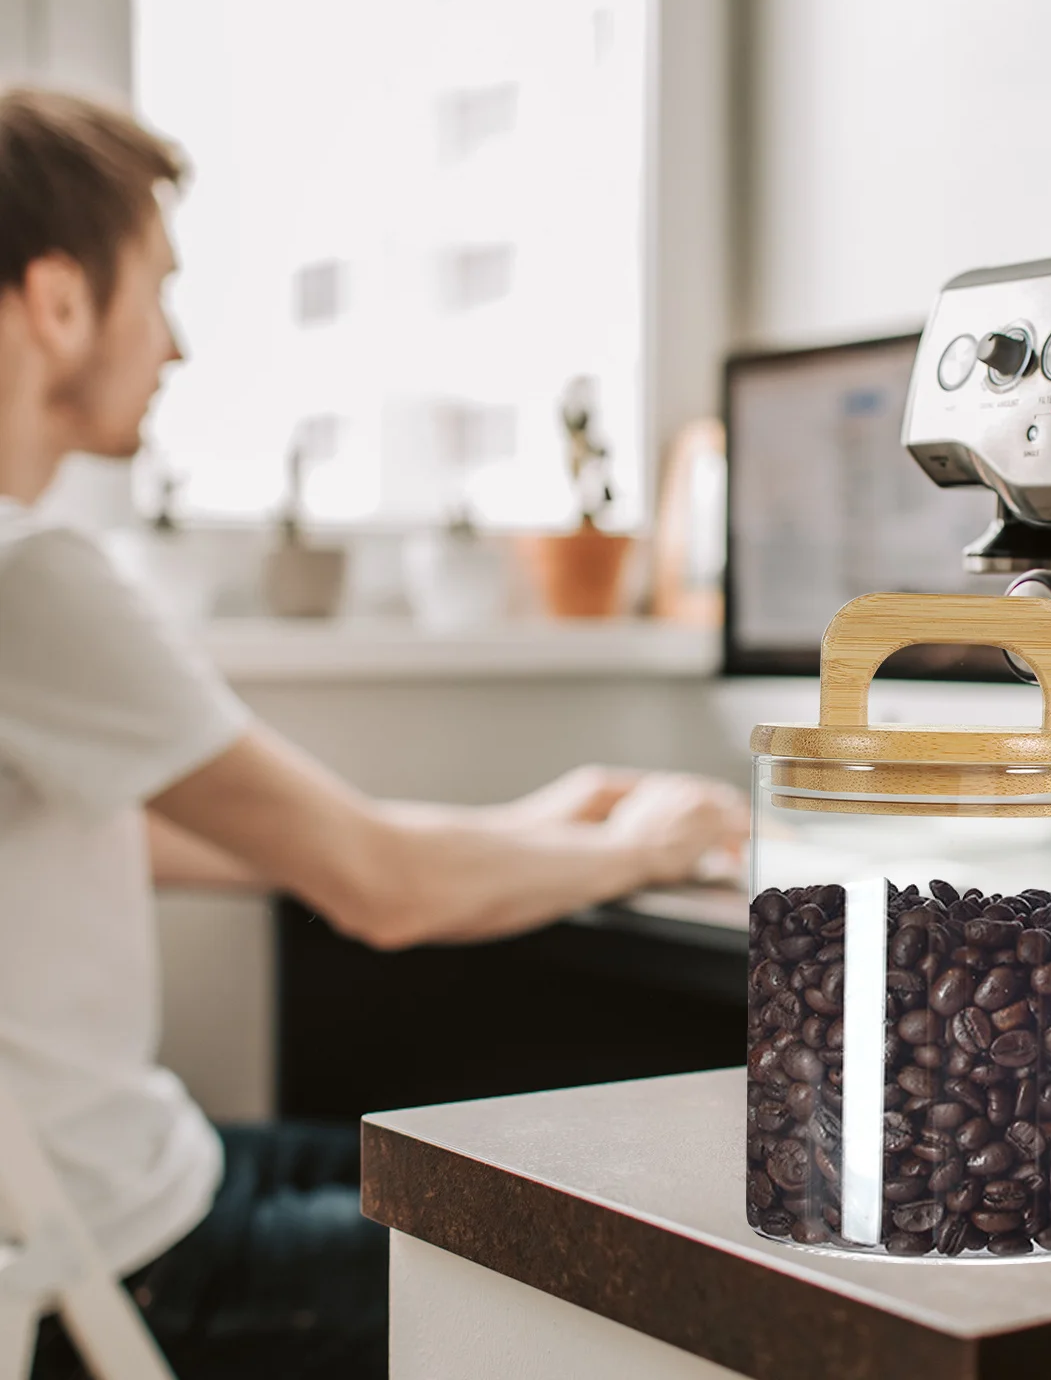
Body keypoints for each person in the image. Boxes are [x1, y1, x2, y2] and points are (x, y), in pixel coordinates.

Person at [0, 88, 747, 1380]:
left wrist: (536, 822)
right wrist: (645, 848)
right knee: (658, 1280)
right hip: (128, 1266)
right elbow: (378, 888)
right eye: (159, 291)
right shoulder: (31, 579)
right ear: (60, 301)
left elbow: (209, 847)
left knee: (447, 1156)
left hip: (142, 1184)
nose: (175, 345)